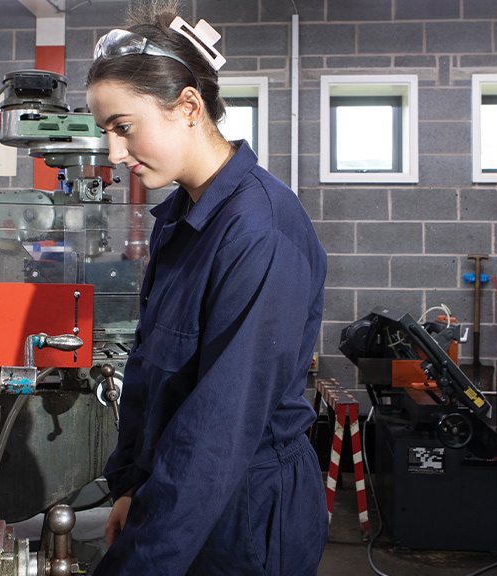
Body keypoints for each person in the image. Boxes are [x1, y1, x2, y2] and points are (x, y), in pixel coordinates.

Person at [85, 2, 329, 574]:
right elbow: (152, 375)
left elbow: (218, 430)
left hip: (242, 512)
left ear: (188, 106)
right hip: (181, 493)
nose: (114, 154)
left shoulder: (258, 230)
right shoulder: (179, 218)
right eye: (106, 132)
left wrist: (139, 560)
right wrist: (130, 486)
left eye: (124, 127)